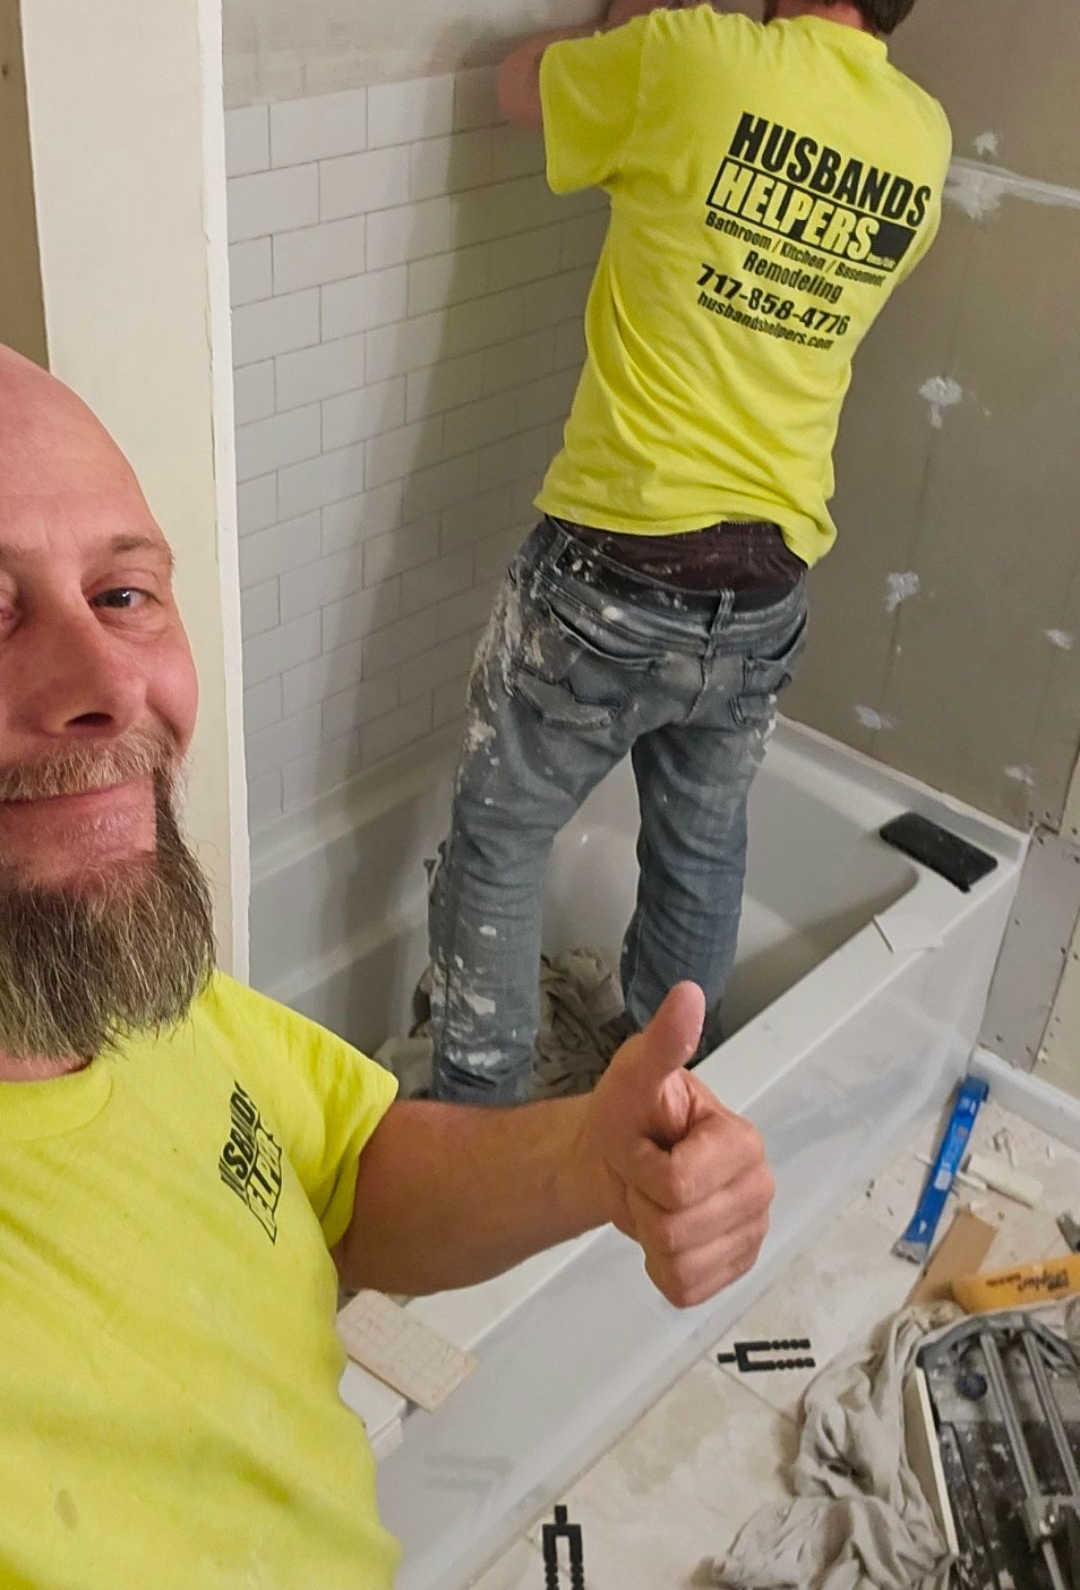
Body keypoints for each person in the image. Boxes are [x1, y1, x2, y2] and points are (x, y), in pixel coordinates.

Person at [0, 341, 772, 1588]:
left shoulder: (119, 983)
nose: (107, 684)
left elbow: (344, 1171)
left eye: (123, 594)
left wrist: (587, 1160)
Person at [429, 0, 963, 1105]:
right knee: (699, 851)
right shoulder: (922, 143)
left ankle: (481, 1129)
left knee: (500, 836)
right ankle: (660, 1104)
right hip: (767, 592)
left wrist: (620, 26)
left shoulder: (688, 61)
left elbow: (511, 90)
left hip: (613, 575)